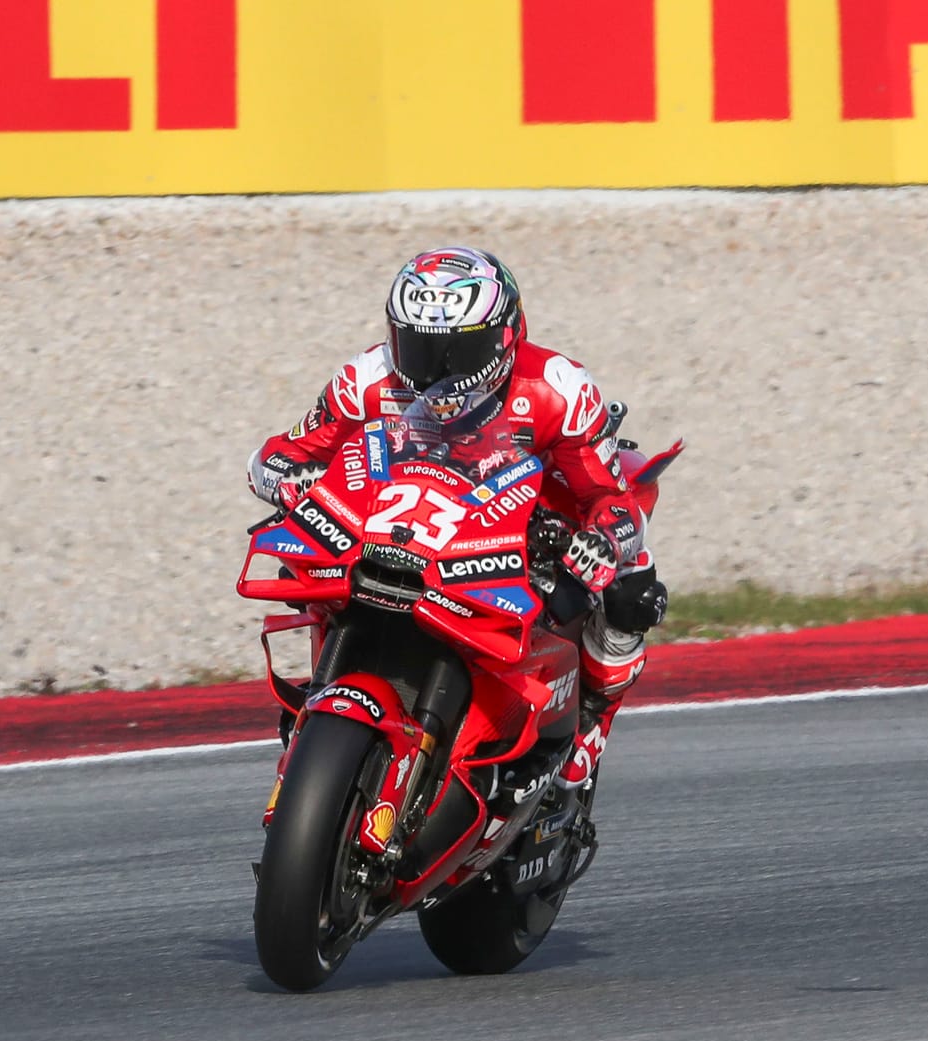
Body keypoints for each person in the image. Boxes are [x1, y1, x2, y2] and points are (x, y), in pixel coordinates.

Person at [248, 248, 668, 787]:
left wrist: (602, 542)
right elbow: (284, 452)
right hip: (399, 527)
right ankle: (319, 715)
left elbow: (611, 498)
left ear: (503, 338)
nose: (436, 371)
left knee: (631, 589)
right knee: (302, 573)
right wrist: (289, 479)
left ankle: (588, 730)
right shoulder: (367, 377)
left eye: (457, 351)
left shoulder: (558, 388)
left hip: (520, 530)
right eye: (419, 348)